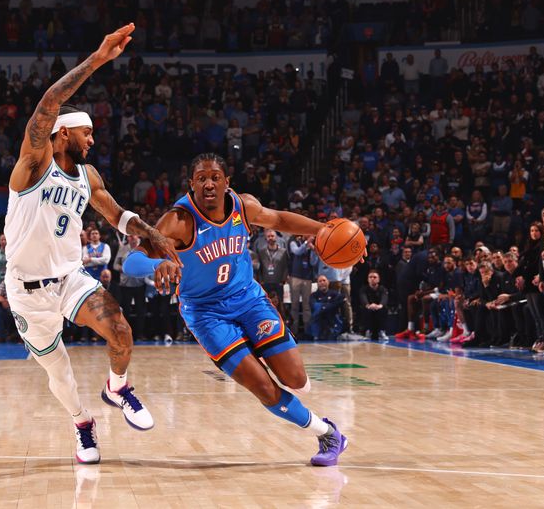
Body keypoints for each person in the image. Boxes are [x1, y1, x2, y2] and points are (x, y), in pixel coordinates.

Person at [3, 24, 179, 464]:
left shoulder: (88, 176)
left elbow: (118, 214)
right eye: (88, 134)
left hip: (68, 279)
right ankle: (83, 423)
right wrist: (98, 59)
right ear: (64, 134)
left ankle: (116, 389)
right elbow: (48, 104)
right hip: (26, 290)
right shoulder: (33, 164)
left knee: (121, 329)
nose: (94, 140)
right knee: (58, 374)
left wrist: (153, 233)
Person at [123, 153, 353, 467]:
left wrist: (325, 231)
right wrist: (158, 262)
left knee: (297, 380)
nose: (208, 183)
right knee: (262, 386)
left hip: (248, 299)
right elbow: (132, 261)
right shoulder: (179, 220)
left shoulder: (242, 206)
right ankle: (327, 433)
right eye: (201, 178)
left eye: (214, 177)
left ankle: (283, 375)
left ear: (226, 182)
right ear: (191, 184)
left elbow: (281, 220)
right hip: (206, 313)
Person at [309, 275, 346, 340]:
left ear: (328, 282)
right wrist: (332, 304)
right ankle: (316, 335)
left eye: (324, 280)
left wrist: (324, 306)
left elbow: (343, 299)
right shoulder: (313, 295)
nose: (322, 282)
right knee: (317, 312)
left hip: (332, 320)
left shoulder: (334, 293)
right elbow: (315, 306)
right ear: (317, 284)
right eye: (320, 281)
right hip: (319, 321)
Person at [359, 270, 388, 340]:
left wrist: (379, 305)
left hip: (378, 308)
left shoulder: (383, 289)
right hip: (369, 307)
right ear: (367, 279)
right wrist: (368, 305)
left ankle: (382, 331)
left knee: (383, 309)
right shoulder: (363, 289)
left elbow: (384, 298)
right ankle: (368, 331)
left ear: (378, 279)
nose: (372, 279)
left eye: (374, 277)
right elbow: (363, 299)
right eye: (370, 277)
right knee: (365, 310)